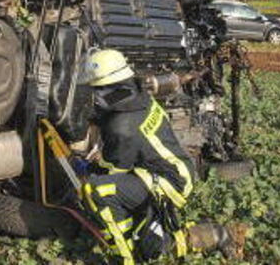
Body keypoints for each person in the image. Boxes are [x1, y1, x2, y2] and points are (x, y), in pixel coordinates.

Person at [80, 49, 234, 264]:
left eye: (96, 89)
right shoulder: (139, 97)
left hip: (170, 182)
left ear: (108, 87)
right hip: (177, 170)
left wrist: (89, 166)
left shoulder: (122, 126)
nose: (94, 96)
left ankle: (126, 256)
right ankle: (209, 235)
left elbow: (115, 168)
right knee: (149, 234)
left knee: (99, 189)